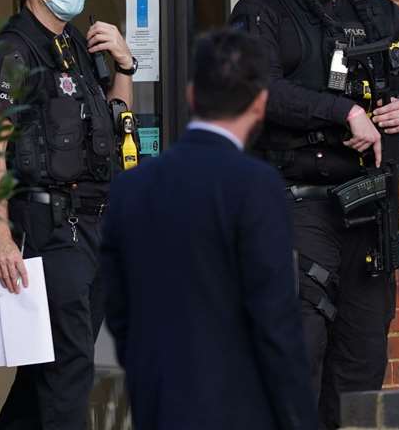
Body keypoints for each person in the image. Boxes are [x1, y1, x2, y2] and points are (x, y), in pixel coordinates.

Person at [228, 0, 399, 429]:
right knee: (298, 356)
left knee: (362, 365)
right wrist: (344, 112)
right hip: (296, 205)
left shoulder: (380, 14)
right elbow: (258, 91)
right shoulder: (261, 10)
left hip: (369, 213)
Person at [101, 28, 316, 430]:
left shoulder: (131, 187)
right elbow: (275, 317)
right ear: (260, 102)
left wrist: (145, 370)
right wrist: (299, 416)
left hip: (158, 399)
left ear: (191, 95)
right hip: (240, 406)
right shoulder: (256, 185)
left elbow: (118, 306)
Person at [0, 0, 135, 430]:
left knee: (45, 373)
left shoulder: (75, 43)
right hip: (49, 229)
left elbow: (119, 127)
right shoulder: (13, 50)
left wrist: (124, 66)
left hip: (94, 226)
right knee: (69, 371)